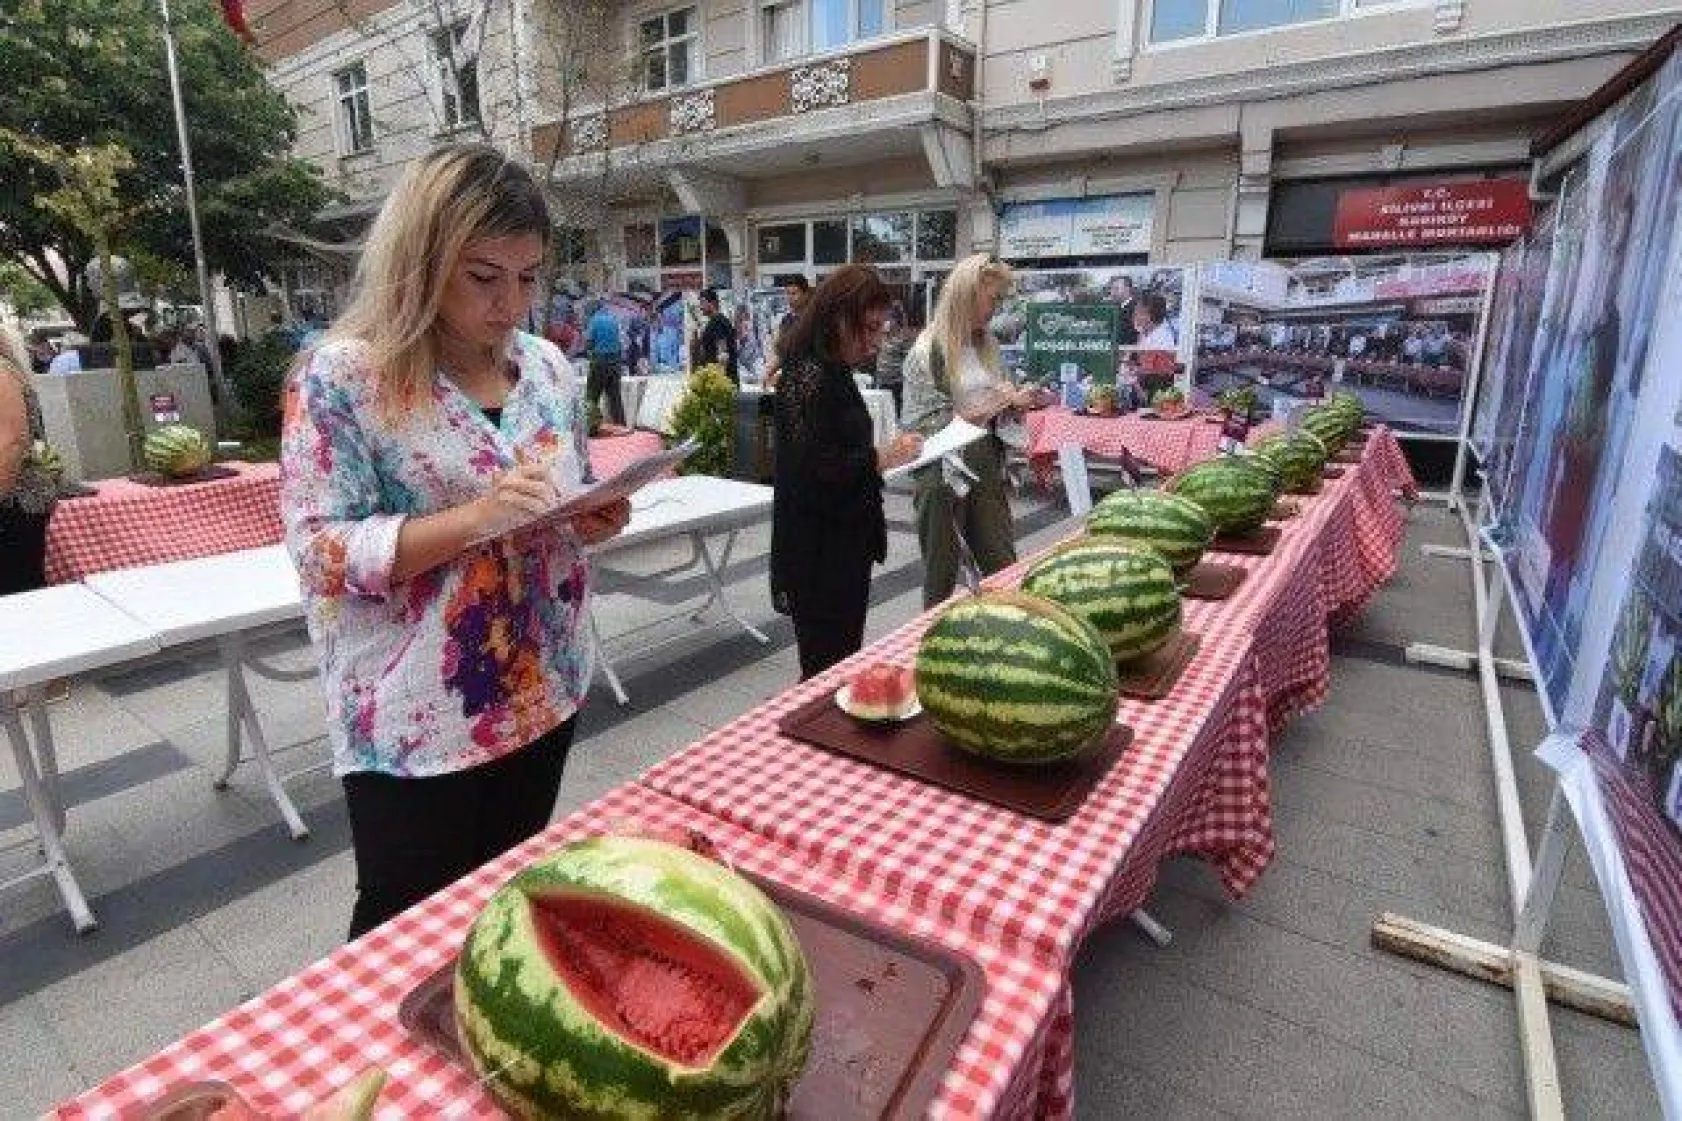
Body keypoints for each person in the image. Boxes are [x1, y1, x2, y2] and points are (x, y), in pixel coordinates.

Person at [279, 144, 631, 940]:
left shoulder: (545, 368)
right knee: (403, 922)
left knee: (504, 902)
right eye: (483, 276)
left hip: (545, 682)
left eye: (529, 276)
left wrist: (589, 520)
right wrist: (475, 518)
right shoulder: (345, 378)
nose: (511, 304)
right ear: (422, 259)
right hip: (416, 718)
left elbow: (557, 493)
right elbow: (319, 552)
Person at [772, 265, 922, 679]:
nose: (875, 342)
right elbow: (813, 471)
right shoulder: (806, 375)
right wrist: (880, 458)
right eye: (869, 329)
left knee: (839, 663)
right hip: (818, 553)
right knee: (824, 671)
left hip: (842, 545)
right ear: (838, 316)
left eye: (880, 331)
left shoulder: (832, 371)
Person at [902, 253, 1042, 607]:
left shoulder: (988, 344)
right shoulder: (928, 347)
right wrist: (999, 402)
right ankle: (935, 642)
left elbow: (998, 399)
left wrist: (1015, 402)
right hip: (940, 471)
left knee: (1001, 561)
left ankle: (1008, 631)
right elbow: (924, 424)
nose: (995, 307)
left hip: (984, 461)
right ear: (966, 295)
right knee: (942, 573)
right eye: (992, 298)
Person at [0, 323, 58, 597]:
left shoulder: (1, 372)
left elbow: (9, 444)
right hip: (14, 502)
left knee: (17, 598)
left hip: (13, 502)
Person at [761, 274, 811, 390]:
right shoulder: (786, 320)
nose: (790, 297)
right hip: (789, 384)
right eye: (787, 293)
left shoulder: (812, 320)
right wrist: (769, 372)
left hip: (808, 384)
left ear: (806, 294)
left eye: (794, 293)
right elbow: (782, 354)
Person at [583, 300, 626, 425]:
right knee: (615, 397)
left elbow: (589, 342)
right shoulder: (613, 320)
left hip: (600, 362)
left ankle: (590, 426)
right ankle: (621, 425)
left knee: (592, 396)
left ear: (591, 311)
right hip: (615, 363)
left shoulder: (594, 321)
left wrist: (587, 349)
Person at [693, 287, 739, 383]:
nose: (700, 307)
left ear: (713, 303)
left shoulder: (718, 322)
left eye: (702, 302)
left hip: (721, 383)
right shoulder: (716, 321)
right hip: (718, 380)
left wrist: (720, 383)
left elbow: (723, 354)